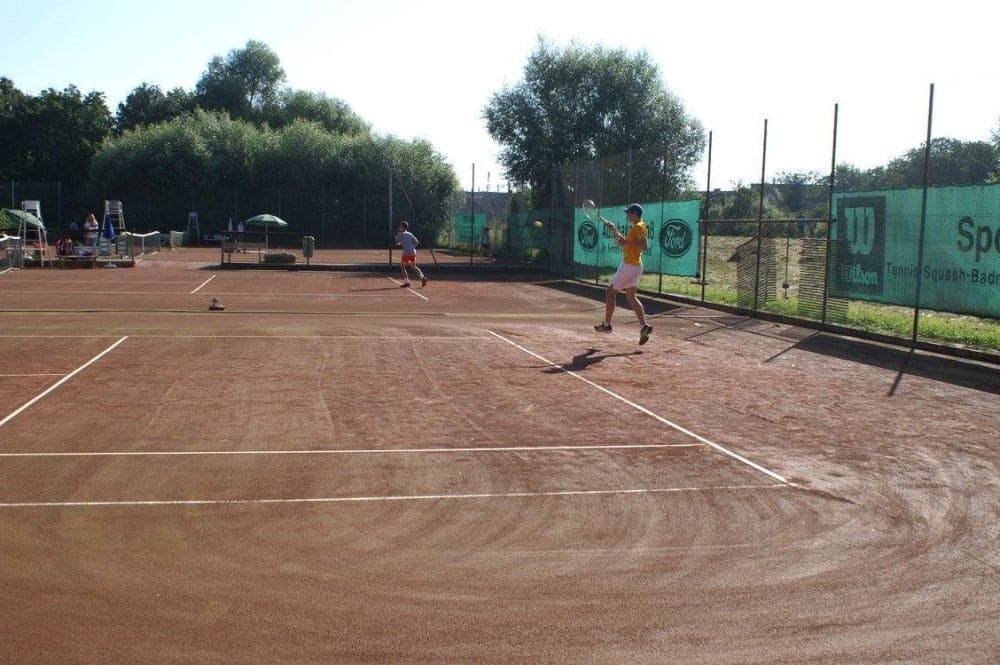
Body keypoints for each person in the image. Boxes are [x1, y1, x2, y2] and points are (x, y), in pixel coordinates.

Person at [594, 203, 653, 345]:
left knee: (610, 292)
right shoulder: (637, 226)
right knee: (631, 297)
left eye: (628, 213)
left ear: (634, 213)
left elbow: (644, 246)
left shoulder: (639, 226)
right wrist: (614, 229)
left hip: (629, 266)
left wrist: (625, 241)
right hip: (635, 266)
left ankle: (607, 324)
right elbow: (626, 242)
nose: (627, 215)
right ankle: (643, 326)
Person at [393, 221, 427, 288]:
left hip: (406, 253)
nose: (399, 228)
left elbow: (396, 244)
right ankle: (422, 277)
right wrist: (411, 247)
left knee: (402, 267)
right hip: (413, 252)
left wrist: (396, 239)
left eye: (400, 226)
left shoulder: (399, 234)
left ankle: (407, 282)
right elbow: (417, 242)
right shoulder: (410, 234)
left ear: (403, 227)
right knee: (413, 266)